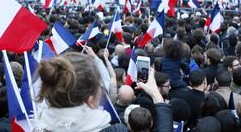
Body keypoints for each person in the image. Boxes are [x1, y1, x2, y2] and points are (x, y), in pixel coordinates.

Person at [34, 52, 173, 131]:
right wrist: (156, 95)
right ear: (90, 101)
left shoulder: (37, 127)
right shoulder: (116, 130)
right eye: (99, 88)